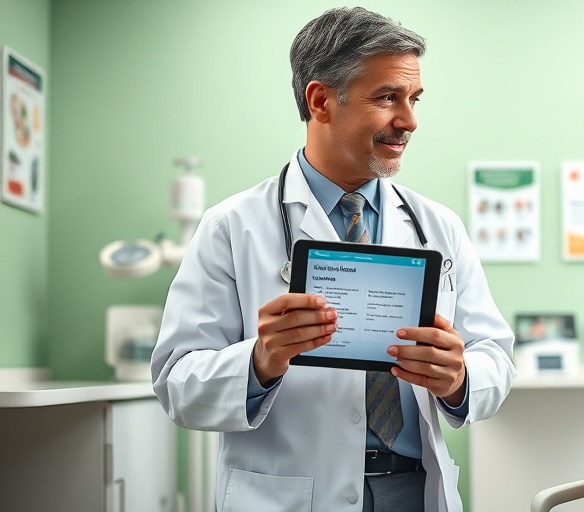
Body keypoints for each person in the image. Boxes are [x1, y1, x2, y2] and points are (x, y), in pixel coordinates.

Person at [150, 7, 515, 512]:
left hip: (413, 491)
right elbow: (177, 385)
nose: (408, 120)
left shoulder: (438, 227)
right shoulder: (231, 226)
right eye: (388, 97)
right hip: (291, 495)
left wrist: (459, 379)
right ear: (320, 100)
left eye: (413, 99)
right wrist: (260, 361)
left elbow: (495, 357)